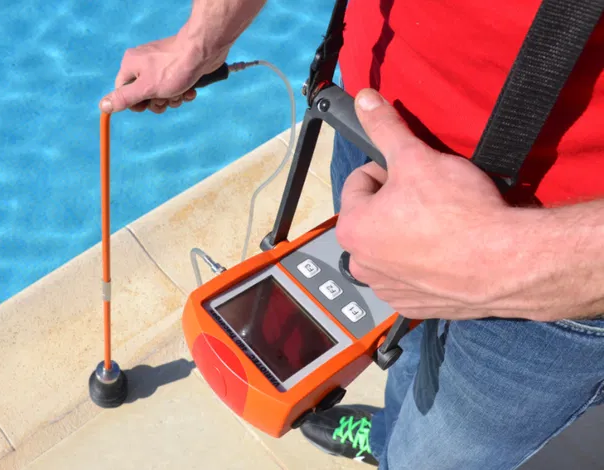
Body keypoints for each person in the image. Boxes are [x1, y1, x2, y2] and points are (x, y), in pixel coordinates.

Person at [99, 1, 604, 468]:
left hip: (548, 254)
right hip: (365, 132)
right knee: (398, 354)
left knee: (436, 456)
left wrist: (502, 258)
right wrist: (202, 39)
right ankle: (389, 433)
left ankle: (401, 455)